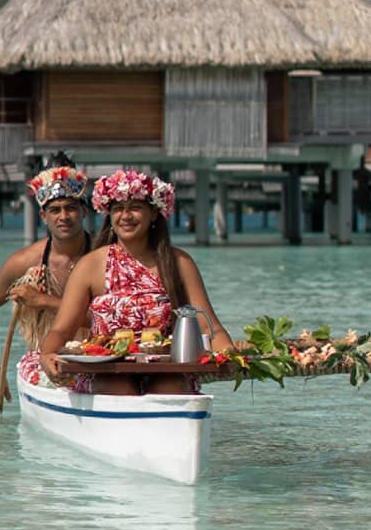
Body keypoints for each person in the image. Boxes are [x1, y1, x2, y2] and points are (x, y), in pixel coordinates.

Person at [40, 168, 235, 395]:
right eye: (118, 209)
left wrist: (229, 355)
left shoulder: (179, 263)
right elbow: (61, 330)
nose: (126, 216)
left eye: (135, 208)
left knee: (171, 388)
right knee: (119, 387)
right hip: (104, 371)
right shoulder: (90, 265)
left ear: (153, 213)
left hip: (166, 369)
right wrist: (47, 355)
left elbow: (210, 327)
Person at [0, 156, 92, 414]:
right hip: (45, 359)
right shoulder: (26, 262)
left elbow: (115, 319)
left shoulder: (105, 257)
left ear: (84, 211)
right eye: (55, 210)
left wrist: (43, 301)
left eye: (71, 208)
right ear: (43, 216)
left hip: (98, 357)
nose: (64, 216)